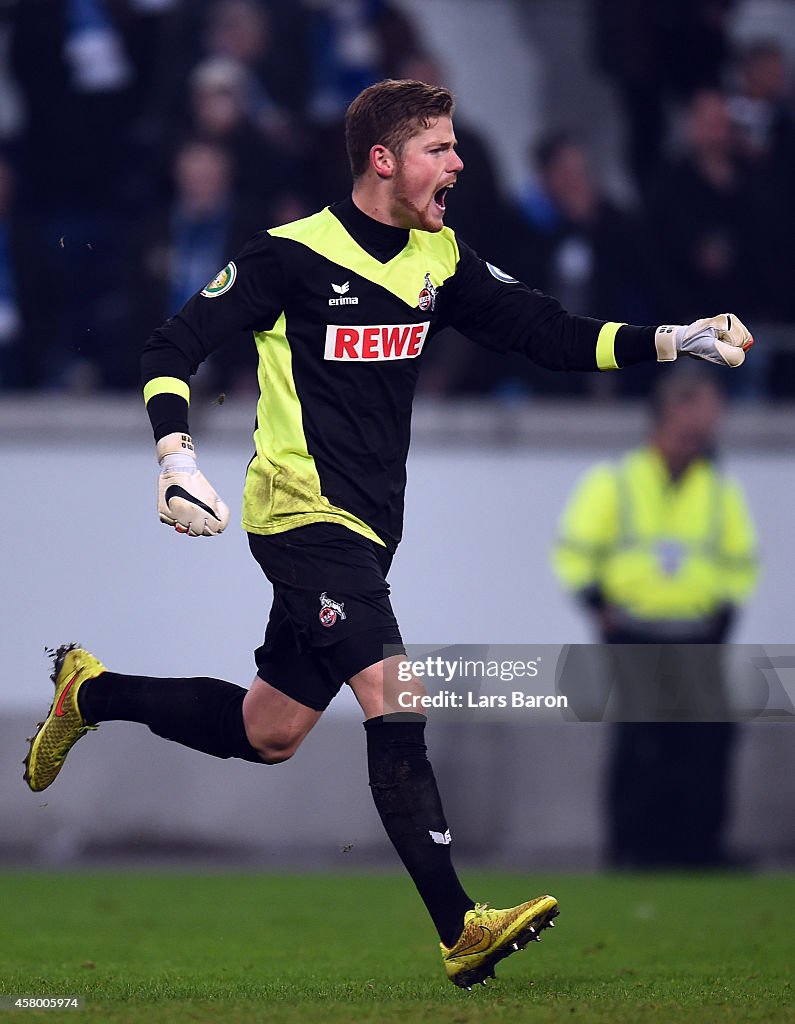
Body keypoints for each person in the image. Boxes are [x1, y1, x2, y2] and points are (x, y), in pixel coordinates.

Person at [25, 79, 753, 987]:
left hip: (368, 532)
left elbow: (550, 334)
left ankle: (88, 694)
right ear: (383, 159)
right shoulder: (288, 256)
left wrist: (672, 340)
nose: (457, 162)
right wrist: (175, 457)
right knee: (394, 693)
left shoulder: (439, 259)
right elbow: (171, 346)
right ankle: (460, 928)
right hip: (298, 512)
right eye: (439, 148)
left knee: (270, 731)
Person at [551, 371, 758, 867]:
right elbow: (575, 554)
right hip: (634, 634)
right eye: (699, 419)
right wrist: (599, 608)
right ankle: (633, 852)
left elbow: (740, 561)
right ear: (669, 416)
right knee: (642, 742)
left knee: (706, 743)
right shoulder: (616, 481)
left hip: (698, 636)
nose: (706, 432)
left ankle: (699, 852)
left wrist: (723, 618)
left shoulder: (716, 487)